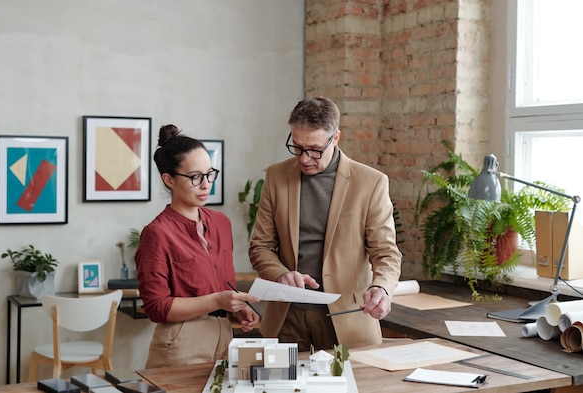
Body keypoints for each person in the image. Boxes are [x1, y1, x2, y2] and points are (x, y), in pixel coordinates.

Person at [249, 97, 402, 351]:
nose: (305, 158)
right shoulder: (276, 176)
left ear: (336, 138)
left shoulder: (371, 182)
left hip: (347, 318)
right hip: (286, 318)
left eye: (314, 150)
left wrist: (381, 288)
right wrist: (281, 274)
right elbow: (260, 247)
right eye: (297, 147)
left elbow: (386, 252)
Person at [136, 124, 260, 368]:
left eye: (209, 174)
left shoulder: (221, 223)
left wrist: (238, 307)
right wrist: (219, 301)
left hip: (224, 337)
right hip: (180, 344)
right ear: (169, 179)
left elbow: (221, 285)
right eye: (195, 177)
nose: (206, 184)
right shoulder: (156, 234)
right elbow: (156, 307)